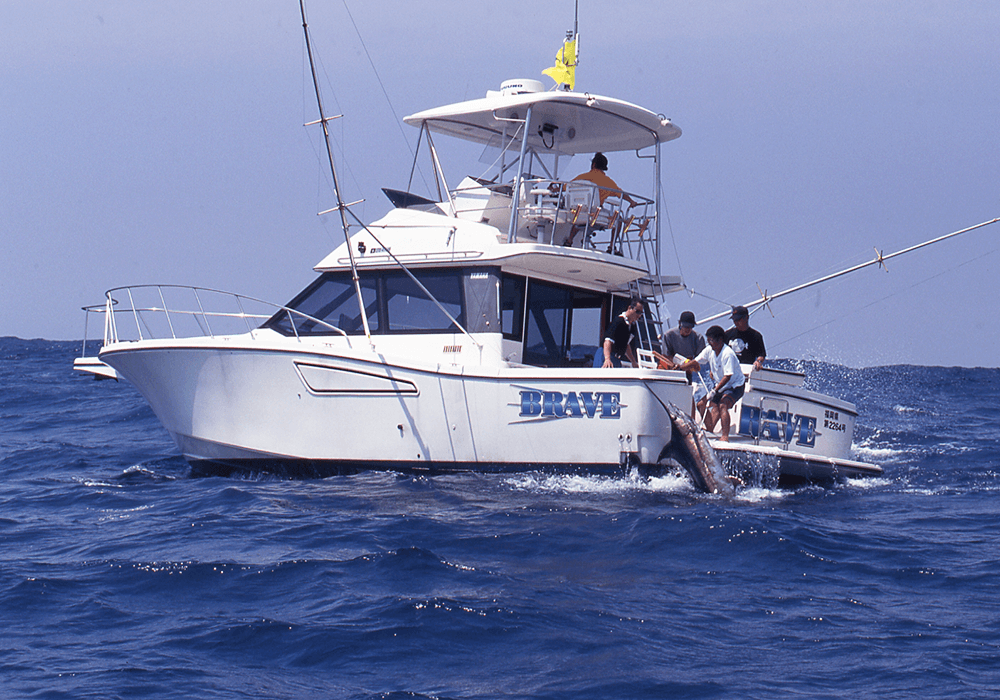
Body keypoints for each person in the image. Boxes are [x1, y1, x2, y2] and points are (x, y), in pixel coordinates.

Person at [679, 325, 745, 441]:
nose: (709, 343)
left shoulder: (727, 353)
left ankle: (725, 436)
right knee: (701, 404)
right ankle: (709, 431)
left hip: (734, 385)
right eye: (708, 340)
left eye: (711, 340)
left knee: (723, 405)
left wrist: (714, 390)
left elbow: (728, 376)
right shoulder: (709, 350)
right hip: (721, 385)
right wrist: (681, 367)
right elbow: (696, 361)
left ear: (720, 340)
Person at [564, 153, 636, 247]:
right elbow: (621, 194)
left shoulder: (582, 177)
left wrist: (554, 188)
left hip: (579, 212)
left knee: (581, 215)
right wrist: (632, 202)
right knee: (618, 219)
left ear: (593, 164)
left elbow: (566, 187)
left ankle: (569, 241)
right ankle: (611, 246)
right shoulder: (607, 181)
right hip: (596, 214)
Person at [598, 296, 644, 368]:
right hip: (605, 355)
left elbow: (626, 346)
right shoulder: (618, 321)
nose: (639, 315)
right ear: (629, 308)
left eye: (641, 313)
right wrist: (607, 359)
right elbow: (607, 341)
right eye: (637, 311)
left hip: (616, 358)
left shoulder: (631, 327)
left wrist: (633, 361)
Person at [725, 305, 766, 371]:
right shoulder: (727, 334)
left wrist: (758, 362)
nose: (736, 322)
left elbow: (761, 354)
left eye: (738, 319)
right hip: (730, 370)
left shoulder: (756, 336)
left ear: (746, 318)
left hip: (746, 369)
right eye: (734, 320)